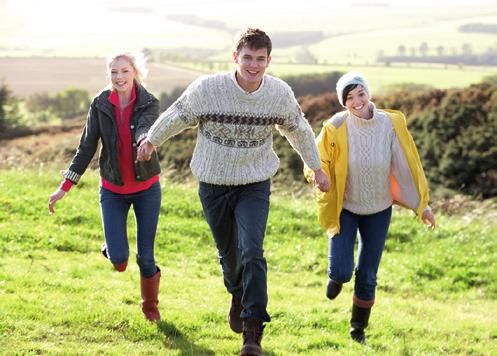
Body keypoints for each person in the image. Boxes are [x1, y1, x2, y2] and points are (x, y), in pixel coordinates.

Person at [138, 28, 329, 356]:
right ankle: (237, 293)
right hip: (213, 183)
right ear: (235, 58)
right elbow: (179, 115)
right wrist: (152, 139)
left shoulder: (278, 94)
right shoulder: (209, 89)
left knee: (252, 249)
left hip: (254, 183)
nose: (253, 65)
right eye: (247, 58)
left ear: (269, 60)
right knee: (230, 256)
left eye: (260, 59)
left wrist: (317, 166)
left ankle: (253, 333)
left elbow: (298, 129)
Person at [305, 71, 436, 344]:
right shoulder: (335, 126)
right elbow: (316, 160)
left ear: (368, 93)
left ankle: (357, 331)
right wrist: (318, 176)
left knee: (367, 274)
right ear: (343, 102)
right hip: (346, 208)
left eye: (360, 94)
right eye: (349, 97)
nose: (357, 101)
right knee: (341, 270)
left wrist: (421, 206)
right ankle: (337, 277)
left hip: (379, 210)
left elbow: (406, 164)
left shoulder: (391, 123)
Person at [47, 52, 163, 321]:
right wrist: (64, 187)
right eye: (114, 72)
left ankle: (150, 309)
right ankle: (113, 248)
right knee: (120, 261)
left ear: (135, 72)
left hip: (147, 189)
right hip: (112, 190)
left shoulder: (149, 102)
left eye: (124, 71)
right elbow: (87, 147)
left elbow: (145, 128)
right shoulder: (100, 103)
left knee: (145, 257)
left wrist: (145, 141)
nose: (119, 77)